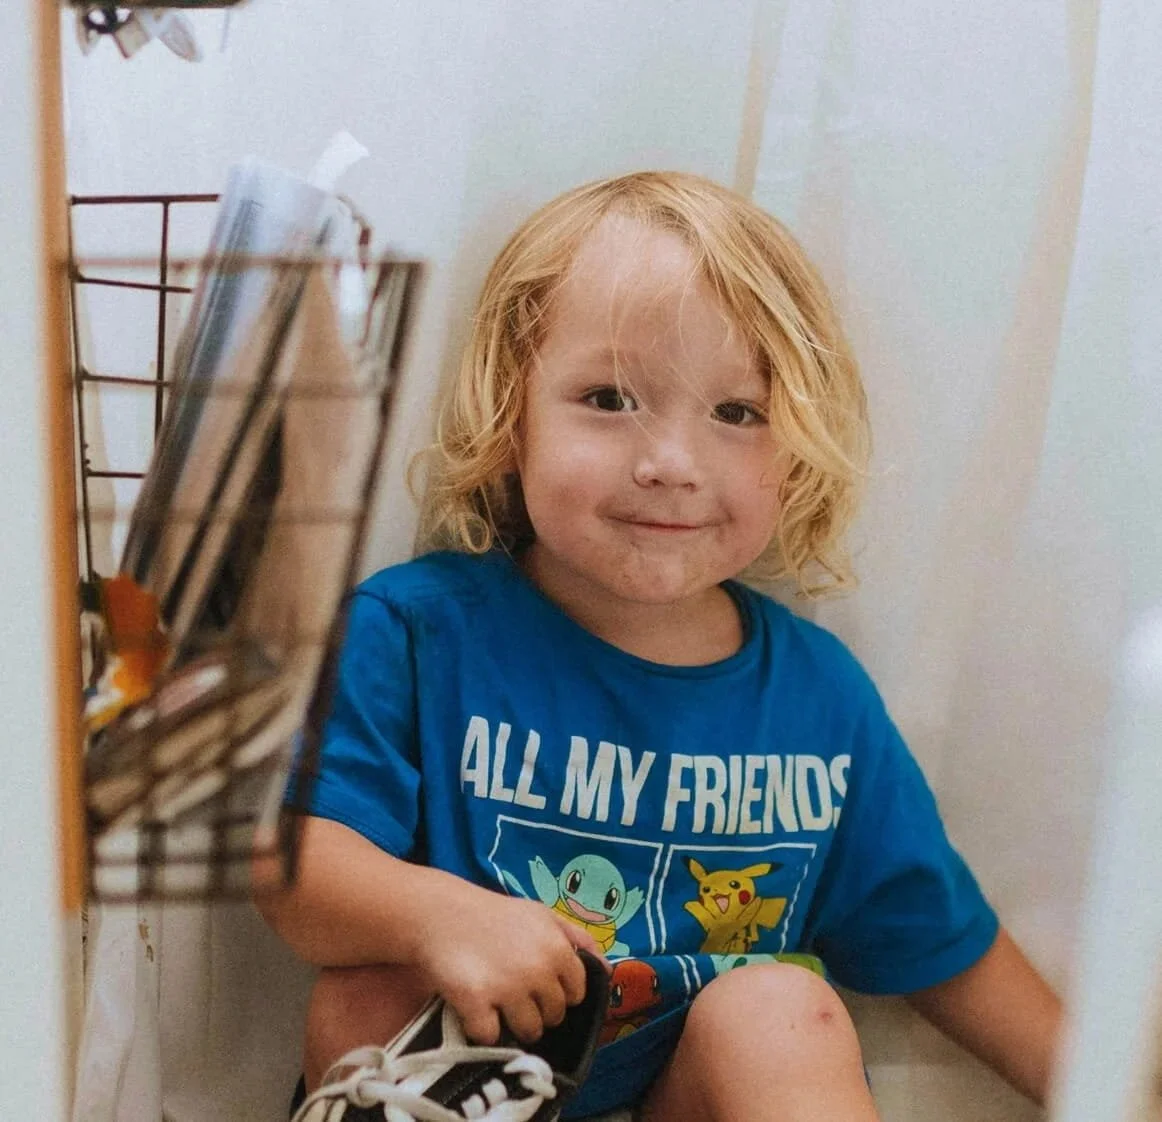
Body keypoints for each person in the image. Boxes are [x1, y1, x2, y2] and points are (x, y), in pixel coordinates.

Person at [257, 171, 1062, 1122]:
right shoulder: (417, 633)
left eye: (736, 414)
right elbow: (291, 866)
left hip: (685, 1094)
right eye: (607, 397)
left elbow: (947, 949)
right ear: (511, 414)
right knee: (373, 991)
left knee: (785, 1013)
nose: (671, 465)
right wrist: (443, 918)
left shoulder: (818, 700)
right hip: (480, 1086)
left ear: (795, 450)